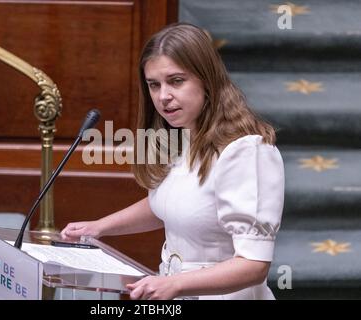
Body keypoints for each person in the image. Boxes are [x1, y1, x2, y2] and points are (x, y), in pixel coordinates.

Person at [60, 22, 285, 300]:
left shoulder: (247, 152)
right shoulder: (181, 138)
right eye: (154, 85)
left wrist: (175, 284)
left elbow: (253, 265)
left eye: (176, 81)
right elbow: (169, 205)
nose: (163, 96)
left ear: (207, 80)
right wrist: (99, 227)